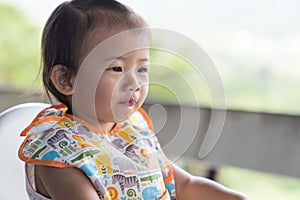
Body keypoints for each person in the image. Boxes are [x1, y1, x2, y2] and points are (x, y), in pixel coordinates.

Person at [18, 0, 248, 199]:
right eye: (116, 68)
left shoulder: (133, 131)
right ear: (66, 79)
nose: (135, 83)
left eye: (142, 69)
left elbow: (184, 186)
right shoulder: (59, 155)